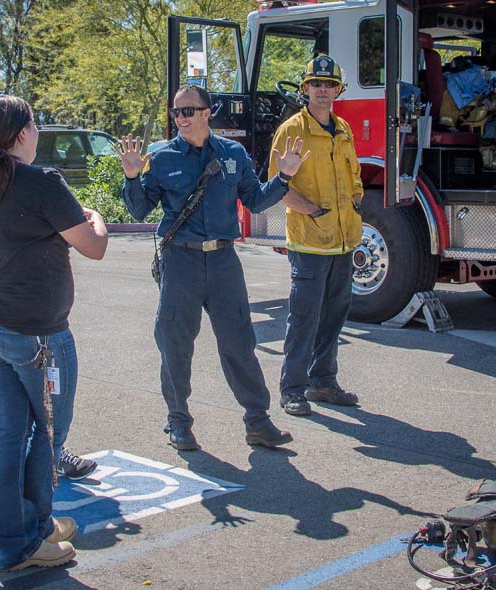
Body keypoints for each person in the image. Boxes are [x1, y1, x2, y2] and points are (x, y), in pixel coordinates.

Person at [116, 84, 312, 452]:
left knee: (239, 343)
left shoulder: (232, 154)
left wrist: (284, 177)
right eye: (176, 113)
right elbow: (140, 210)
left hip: (223, 261)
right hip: (181, 261)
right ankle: (178, 422)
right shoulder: (161, 158)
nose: (181, 119)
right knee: (175, 345)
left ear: (208, 113)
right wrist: (130, 177)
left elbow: (254, 200)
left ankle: (257, 421)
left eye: (188, 111)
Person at [0, 95, 108, 572]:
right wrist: (96, 218)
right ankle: (24, 543)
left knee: (12, 433)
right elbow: (93, 248)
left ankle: (27, 530)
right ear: (25, 132)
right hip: (37, 337)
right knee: (45, 436)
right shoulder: (42, 182)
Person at [268, 55, 363, 417]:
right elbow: (278, 186)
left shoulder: (344, 129)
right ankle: (292, 389)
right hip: (309, 242)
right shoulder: (292, 130)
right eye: (316, 84)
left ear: (338, 90)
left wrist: (355, 197)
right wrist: (315, 211)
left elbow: (353, 175)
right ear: (305, 88)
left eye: (329, 84)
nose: (322, 90)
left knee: (334, 316)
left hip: (343, 241)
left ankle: (323, 381)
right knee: (304, 318)